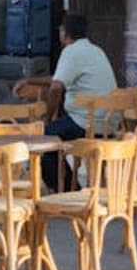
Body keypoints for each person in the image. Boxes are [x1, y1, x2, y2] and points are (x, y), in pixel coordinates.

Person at [42, 13, 118, 190]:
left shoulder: (71, 51)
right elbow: (58, 78)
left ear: (65, 32)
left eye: (61, 29)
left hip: (87, 123)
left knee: (44, 139)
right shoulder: (96, 50)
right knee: (54, 133)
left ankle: (68, 191)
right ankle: (70, 186)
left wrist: (48, 117)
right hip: (108, 124)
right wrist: (30, 81)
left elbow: (56, 88)